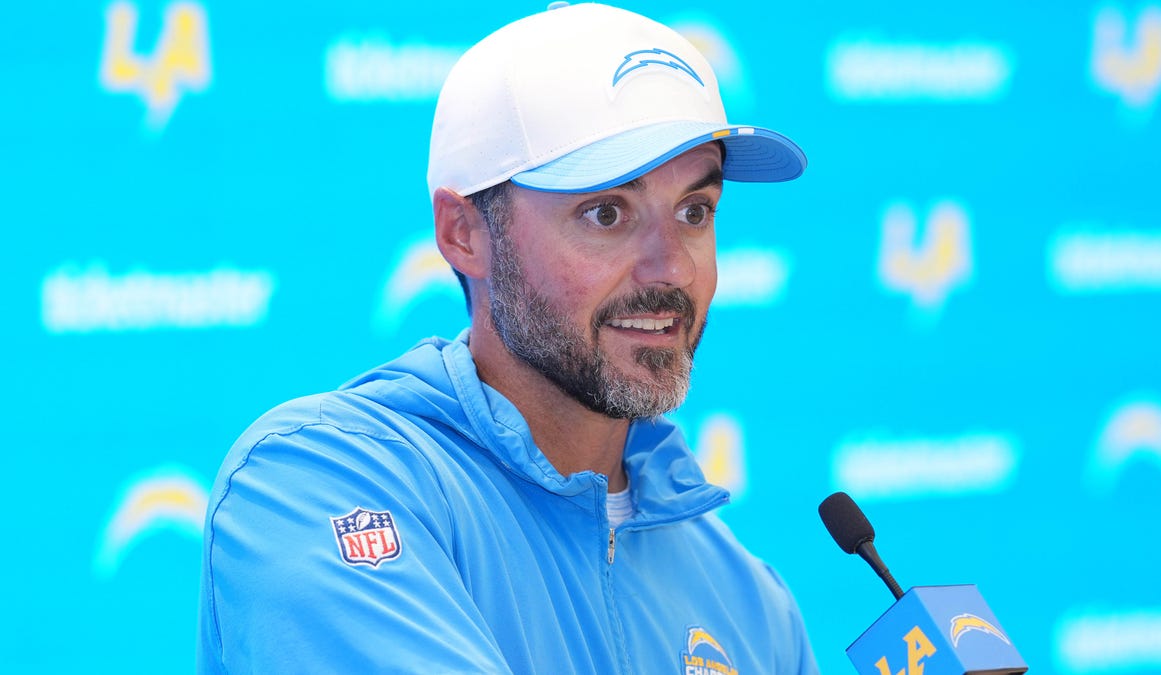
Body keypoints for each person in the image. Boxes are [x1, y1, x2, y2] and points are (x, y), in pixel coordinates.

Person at [198, 3, 817, 672]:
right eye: (607, 213)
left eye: (695, 211)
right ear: (465, 232)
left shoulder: (748, 598)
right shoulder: (319, 481)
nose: (673, 268)